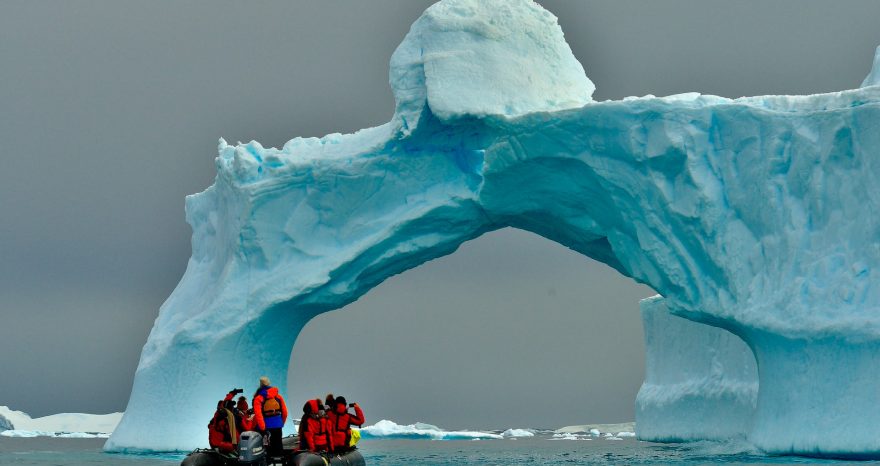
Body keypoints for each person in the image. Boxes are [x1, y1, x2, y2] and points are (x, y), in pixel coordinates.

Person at [253, 376, 288, 458]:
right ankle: (279, 461)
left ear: (260, 384)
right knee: (278, 445)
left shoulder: (258, 398)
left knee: (267, 447)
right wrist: (281, 423)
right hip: (277, 424)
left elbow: (258, 415)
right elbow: (285, 412)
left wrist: (262, 427)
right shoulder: (278, 396)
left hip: (266, 426)